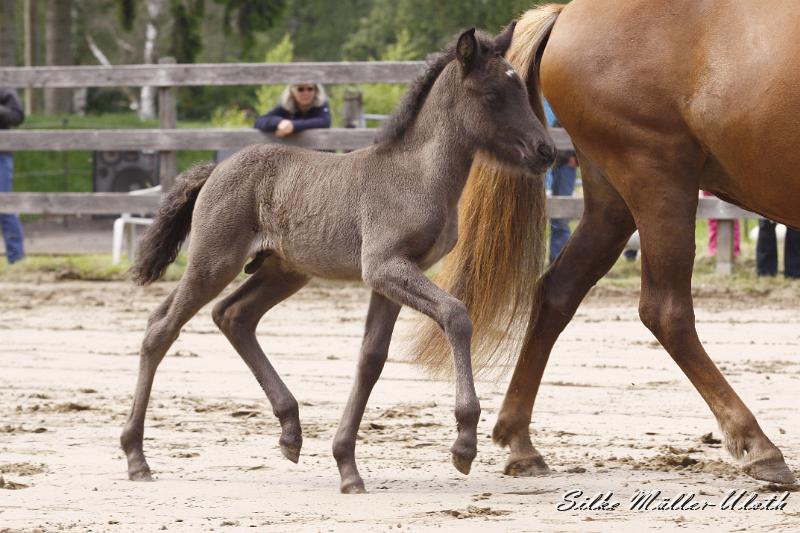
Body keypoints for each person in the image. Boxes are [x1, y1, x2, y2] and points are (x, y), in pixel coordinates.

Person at [543, 99, 577, 264]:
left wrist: (576, 158)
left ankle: (557, 261)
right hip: (537, 161)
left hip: (562, 164)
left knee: (561, 218)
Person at [0, 87, 25, 264]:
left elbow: (17, 116)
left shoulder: (4, 88)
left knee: (5, 206)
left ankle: (15, 258)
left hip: (1, 155)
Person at [254, 83, 331, 137]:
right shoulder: (286, 106)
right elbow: (259, 121)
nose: (306, 93)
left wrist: (293, 126)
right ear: (292, 92)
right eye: (300, 89)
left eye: (310, 89)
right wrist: (279, 122)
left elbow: (324, 121)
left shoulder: (321, 105)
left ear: (316, 92)